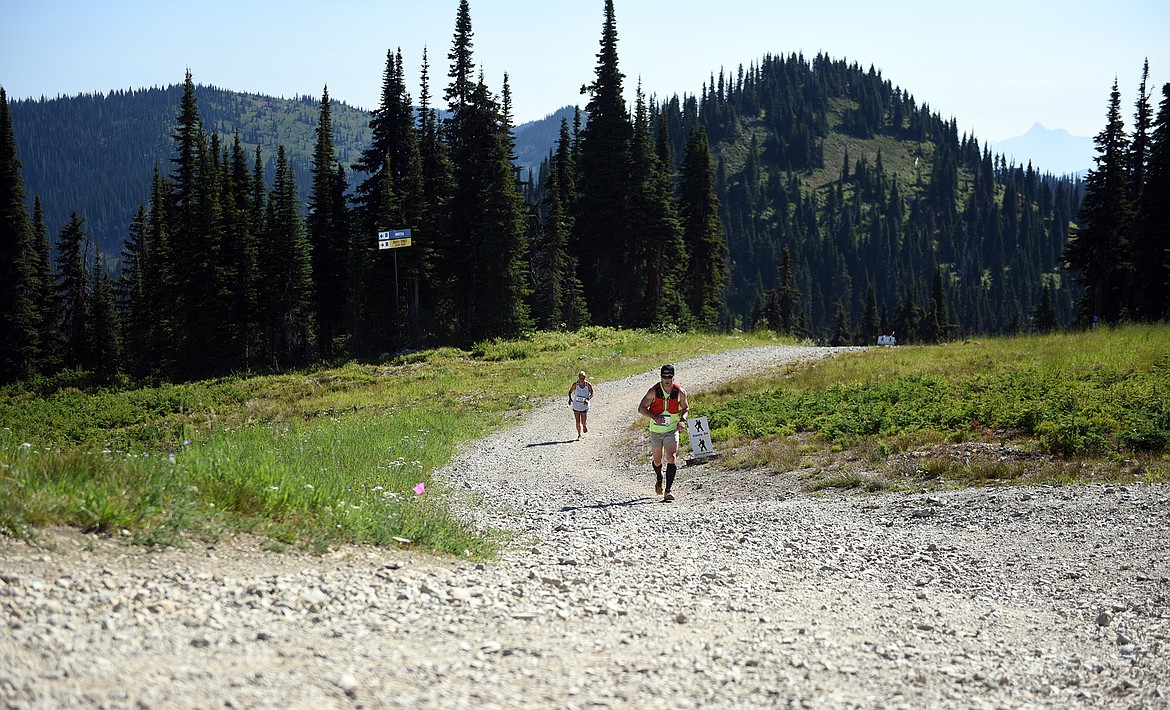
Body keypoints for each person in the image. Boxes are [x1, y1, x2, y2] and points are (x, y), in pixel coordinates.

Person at [637, 364, 688, 502]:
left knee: (671, 458)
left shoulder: (680, 392)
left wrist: (682, 420)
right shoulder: (653, 391)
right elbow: (641, 408)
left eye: (669, 376)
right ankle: (659, 478)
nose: (667, 379)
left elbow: (685, 408)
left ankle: (668, 491)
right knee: (658, 460)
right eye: (664, 376)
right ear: (661, 376)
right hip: (656, 431)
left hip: (671, 430)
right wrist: (654, 417)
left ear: (673, 376)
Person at [568, 370, 594, 440]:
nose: (582, 379)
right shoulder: (575, 384)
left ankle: (584, 425)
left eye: (583, 378)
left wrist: (587, 399)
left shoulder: (588, 385)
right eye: (580, 378)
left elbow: (592, 393)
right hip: (576, 405)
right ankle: (579, 434)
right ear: (578, 377)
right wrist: (570, 399)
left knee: (583, 421)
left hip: (584, 405)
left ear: (585, 378)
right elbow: (570, 392)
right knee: (577, 421)